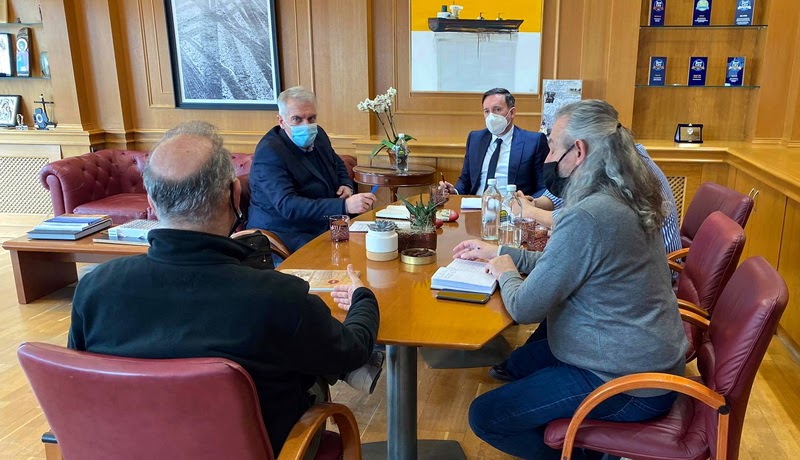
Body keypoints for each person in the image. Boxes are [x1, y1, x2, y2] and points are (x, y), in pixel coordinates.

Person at [67, 121, 381, 456]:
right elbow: (353, 351)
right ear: (234, 195)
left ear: (153, 205)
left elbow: (81, 386)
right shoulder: (278, 296)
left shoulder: (94, 289)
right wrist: (363, 297)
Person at [454, 100, 687, 459]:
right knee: (520, 365)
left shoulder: (590, 214)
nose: (547, 157)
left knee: (486, 416)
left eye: (552, 148)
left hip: (626, 383)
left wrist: (505, 270)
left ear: (579, 151)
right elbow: (565, 263)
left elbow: (525, 308)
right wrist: (501, 253)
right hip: (643, 359)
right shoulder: (620, 196)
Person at [247, 86, 376, 253]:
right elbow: (288, 206)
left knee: (374, 243)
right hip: (285, 232)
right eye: (297, 119)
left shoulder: (318, 134)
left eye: (311, 118)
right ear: (281, 121)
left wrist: (346, 184)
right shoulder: (269, 152)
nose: (306, 125)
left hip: (323, 223)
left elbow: (337, 163)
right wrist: (344, 206)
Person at [518, 142, 682, 254]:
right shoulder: (602, 158)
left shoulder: (622, 168)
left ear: (580, 147)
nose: (549, 158)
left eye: (553, 150)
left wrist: (529, 211)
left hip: (658, 271)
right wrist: (534, 203)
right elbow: (563, 197)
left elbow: (579, 219)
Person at [439, 87, 549, 197]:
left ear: (512, 112)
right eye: (487, 111)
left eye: (497, 110)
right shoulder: (475, 139)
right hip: (477, 202)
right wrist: (454, 191)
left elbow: (544, 187)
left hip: (512, 204)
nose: (491, 116)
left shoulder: (534, 142)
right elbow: (465, 179)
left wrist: (530, 203)